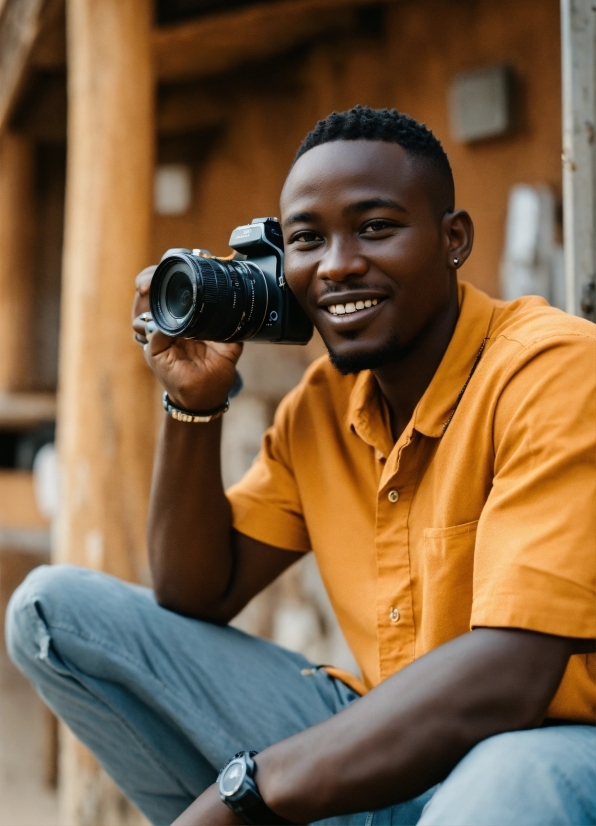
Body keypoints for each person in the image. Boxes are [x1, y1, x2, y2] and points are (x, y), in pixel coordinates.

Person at [6, 106, 596, 826]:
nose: (338, 263)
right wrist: (195, 405)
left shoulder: (553, 368)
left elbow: (511, 678)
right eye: (308, 240)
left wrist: (249, 789)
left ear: (453, 239)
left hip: (550, 751)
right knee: (52, 610)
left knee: (502, 779)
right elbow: (199, 591)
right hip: (390, 743)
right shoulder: (321, 402)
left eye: (375, 227)